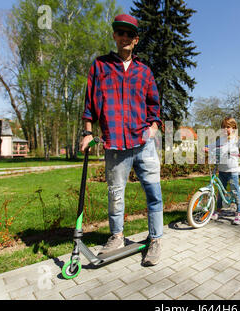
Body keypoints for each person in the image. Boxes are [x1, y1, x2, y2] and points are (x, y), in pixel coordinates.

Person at [80, 14, 163, 266]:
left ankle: (156, 239)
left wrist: (153, 129)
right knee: (116, 194)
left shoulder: (144, 72)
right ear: (115, 36)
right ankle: (116, 236)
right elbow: (89, 105)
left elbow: (155, 106)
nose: (125, 37)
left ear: (135, 40)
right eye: (120, 33)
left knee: (154, 193)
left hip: (144, 142)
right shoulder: (100, 66)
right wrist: (87, 133)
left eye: (130, 34)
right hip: (114, 143)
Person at [204, 117, 240, 225]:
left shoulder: (236, 139)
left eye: (228, 127)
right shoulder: (220, 139)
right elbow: (214, 146)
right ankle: (218, 210)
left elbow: (235, 149)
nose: (225, 129)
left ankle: (239, 213)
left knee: (235, 191)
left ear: (234, 128)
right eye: (223, 127)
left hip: (232, 170)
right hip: (221, 169)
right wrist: (207, 147)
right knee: (220, 192)